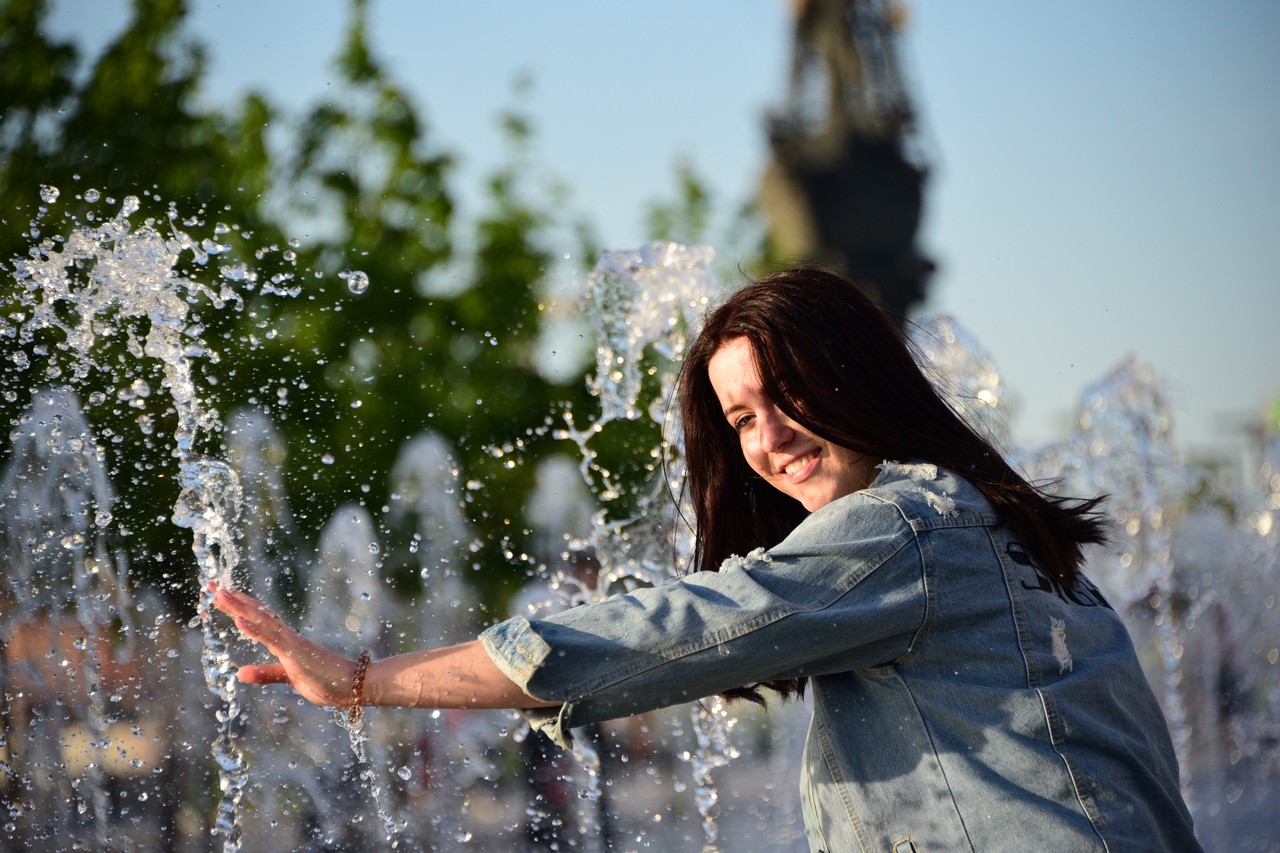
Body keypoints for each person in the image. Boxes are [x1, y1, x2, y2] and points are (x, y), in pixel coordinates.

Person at [213, 265, 1201, 851]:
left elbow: (674, 634)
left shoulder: (900, 528)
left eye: (788, 393)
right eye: (739, 418)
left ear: (856, 376)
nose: (766, 439)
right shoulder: (996, 527)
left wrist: (359, 680)